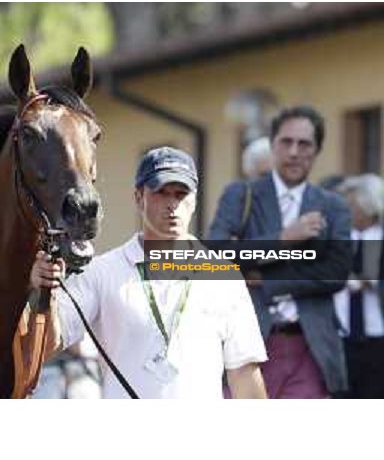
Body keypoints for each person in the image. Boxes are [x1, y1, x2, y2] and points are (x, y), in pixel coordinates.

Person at [31, 146, 268, 399]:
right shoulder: (101, 272)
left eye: (181, 193)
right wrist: (41, 290)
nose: (172, 204)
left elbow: (244, 373)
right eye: (161, 192)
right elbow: (45, 345)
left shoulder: (224, 277)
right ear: (138, 197)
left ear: (194, 200)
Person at [209, 106, 351, 399]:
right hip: (248, 344)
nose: (295, 152)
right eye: (286, 142)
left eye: (305, 144)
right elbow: (217, 253)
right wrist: (283, 239)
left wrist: (267, 280)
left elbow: (335, 273)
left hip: (310, 346)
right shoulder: (241, 195)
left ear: (317, 150)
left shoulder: (333, 205)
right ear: (273, 145)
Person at [334, 174, 384, 398]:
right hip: (342, 337)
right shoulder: (340, 239)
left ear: (369, 206)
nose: (348, 211)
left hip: (378, 339)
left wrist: (365, 281)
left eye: (352, 206)